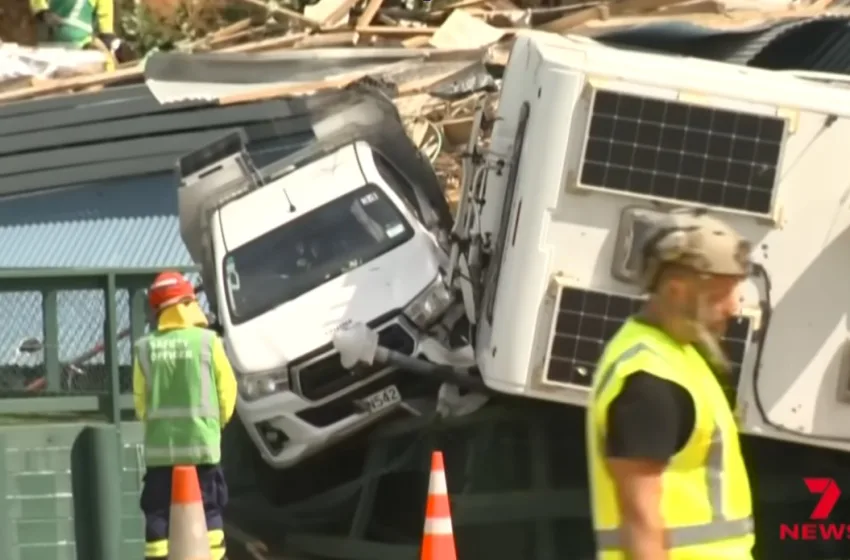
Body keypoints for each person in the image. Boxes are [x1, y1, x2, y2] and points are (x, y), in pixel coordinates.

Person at [586, 210, 756, 560]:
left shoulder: (678, 355)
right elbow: (641, 520)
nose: (734, 307)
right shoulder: (649, 382)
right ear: (678, 292)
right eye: (723, 294)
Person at [133, 271, 238, 560]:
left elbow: (141, 402)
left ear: (158, 310)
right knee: (209, 510)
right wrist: (214, 425)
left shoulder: (144, 348)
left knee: (157, 513)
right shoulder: (207, 342)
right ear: (188, 302)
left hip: (160, 451)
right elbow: (227, 390)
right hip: (202, 446)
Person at [30, 0, 120, 53]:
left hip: (81, 44)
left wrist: (107, 33)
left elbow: (105, 16)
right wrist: (42, 12)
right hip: (51, 41)